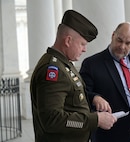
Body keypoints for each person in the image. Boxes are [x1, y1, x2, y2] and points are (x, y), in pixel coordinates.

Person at [30, 10, 117, 142]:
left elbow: (71, 99)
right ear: (68, 41)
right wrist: (96, 120)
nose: (84, 49)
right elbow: (52, 120)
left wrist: (93, 99)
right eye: (82, 44)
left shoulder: (63, 64)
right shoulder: (53, 70)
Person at [79, 22, 130, 142]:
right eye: (119, 40)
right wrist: (95, 97)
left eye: (128, 43)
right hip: (113, 137)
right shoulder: (92, 64)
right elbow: (82, 94)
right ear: (113, 35)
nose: (122, 46)